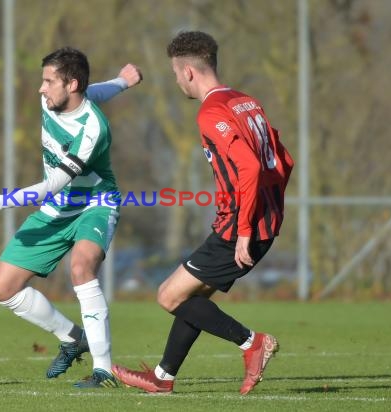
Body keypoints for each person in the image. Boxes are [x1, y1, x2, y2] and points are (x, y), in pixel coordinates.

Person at [111, 31, 294, 395]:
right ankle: (163, 378)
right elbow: (284, 160)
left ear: (189, 72)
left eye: (176, 74)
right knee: (193, 299)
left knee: (169, 297)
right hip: (262, 222)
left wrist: (245, 228)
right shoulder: (247, 102)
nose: (177, 80)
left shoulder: (211, 112)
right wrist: (270, 210)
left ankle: (252, 343)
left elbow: (250, 167)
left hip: (239, 228)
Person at [0, 47, 142, 388]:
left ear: (70, 84)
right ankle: (74, 338)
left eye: (48, 81)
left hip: (94, 203)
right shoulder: (55, 100)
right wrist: (122, 81)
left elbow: (52, 183)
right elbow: (93, 91)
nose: (41, 89)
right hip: (56, 209)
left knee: (81, 268)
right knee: (2, 286)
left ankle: (103, 371)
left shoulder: (93, 130)